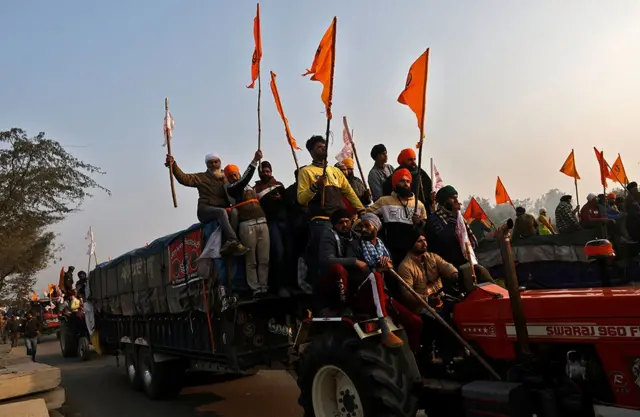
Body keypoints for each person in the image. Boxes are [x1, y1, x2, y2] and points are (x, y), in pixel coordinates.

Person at [297, 136, 364, 293]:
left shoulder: (334, 171)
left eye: (324, 145)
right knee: (326, 257)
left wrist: (361, 209)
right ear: (311, 151)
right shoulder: (306, 172)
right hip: (321, 220)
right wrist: (315, 186)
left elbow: (349, 191)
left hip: (341, 219)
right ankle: (323, 292)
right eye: (319, 146)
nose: (323, 148)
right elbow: (301, 199)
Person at [355, 214, 422, 350]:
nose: (363, 229)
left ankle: (413, 357)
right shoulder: (355, 246)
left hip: (384, 295)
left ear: (376, 227)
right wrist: (377, 269)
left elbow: (392, 273)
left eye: (367, 225)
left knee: (416, 322)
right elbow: (357, 275)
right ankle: (385, 329)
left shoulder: (383, 247)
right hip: (365, 294)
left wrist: (389, 267)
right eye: (361, 226)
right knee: (376, 277)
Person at [166, 153, 247, 256]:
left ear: (220, 163)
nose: (213, 164)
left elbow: (240, 184)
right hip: (206, 209)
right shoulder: (202, 177)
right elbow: (184, 178)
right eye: (210, 162)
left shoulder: (226, 177)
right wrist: (173, 165)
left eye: (215, 162)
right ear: (207, 165)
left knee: (234, 212)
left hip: (225, 210)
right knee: (221, 212)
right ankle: (233, 240)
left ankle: (228, 240)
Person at [224, 150, 270, 297]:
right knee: (251, 260)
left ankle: (264, 287)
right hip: (247, 225)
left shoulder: (250, 186)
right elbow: (244, 179)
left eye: (235, 173)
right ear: (227, 178)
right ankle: (255, 289)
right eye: (230, 175)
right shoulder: (232, 188)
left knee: (264, 258)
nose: (233, 176)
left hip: (262, 222)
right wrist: (255, 161)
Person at [367, 168, 427, 267]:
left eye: (408, 181)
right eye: (402, 181)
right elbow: (367, 214)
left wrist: (419, 222)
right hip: (392, 250)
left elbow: (426, 226)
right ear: (395, 183)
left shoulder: (418, 204)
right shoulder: (384, 201)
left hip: (413, 252)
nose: (406, 184)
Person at [254, 161, 293, 295]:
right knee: (278, 253)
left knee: (289, 252)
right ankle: (279, 286)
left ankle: (291, 284)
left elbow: (290, 202)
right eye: (263, 171)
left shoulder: (279, 185)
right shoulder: (256, 189)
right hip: (271, 223)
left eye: (267, 171)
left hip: (285, 222)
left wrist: (281, 198)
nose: (265, 174)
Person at [397, 230, 459, 314]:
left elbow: (446, 267)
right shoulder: (405, 267)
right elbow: (407, 294)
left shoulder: (432, 257)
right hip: (423, 309)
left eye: (425, 240)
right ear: (411, 244)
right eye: (420, 241)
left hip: (442, 301)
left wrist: (456, 275)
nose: (424, 244)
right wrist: (427, 299)